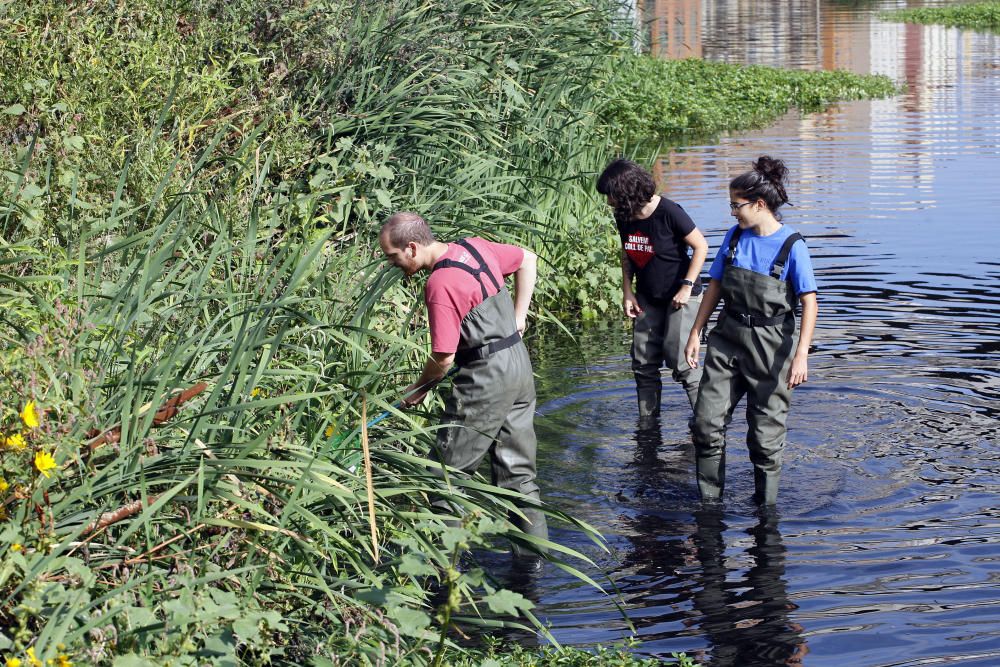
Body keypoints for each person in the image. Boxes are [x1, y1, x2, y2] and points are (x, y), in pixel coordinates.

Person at [378, 212, 548, 562]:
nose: (393, 265)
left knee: (445, 479)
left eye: (393, 257)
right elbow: (527, 259)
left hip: (487, 378)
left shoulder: (439, 284)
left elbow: (443, 357)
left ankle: (444, 580)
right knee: (520, 479)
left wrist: (418, 388)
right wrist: (519, 317)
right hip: (518, 364)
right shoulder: (475, 247)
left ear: (411, 248)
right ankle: (533, 570)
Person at [684, 156, 818, 506]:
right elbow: (714, 286)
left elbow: (809, 302)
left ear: (760, 205)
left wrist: (801, 355)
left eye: (736, 205)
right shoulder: (734, 237)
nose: (732, 212)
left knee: (764, 437)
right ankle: (710, 506)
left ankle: (766, 513)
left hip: (772, 348)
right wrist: (696, 331)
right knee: (705, 424)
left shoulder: (792, 245)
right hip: (728, 340)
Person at [596, 159, 709, 426]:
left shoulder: (669, 211)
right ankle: (648, 425)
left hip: (681, 297)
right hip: (647, 296)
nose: (609, 201)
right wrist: (628, 291)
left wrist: (687, 285)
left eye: (611, 195)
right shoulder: (623, 215)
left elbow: (701, 246)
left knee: (682, 363)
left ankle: (708, 424)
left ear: (625, 191)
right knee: (643, 364)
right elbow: (627, 252)